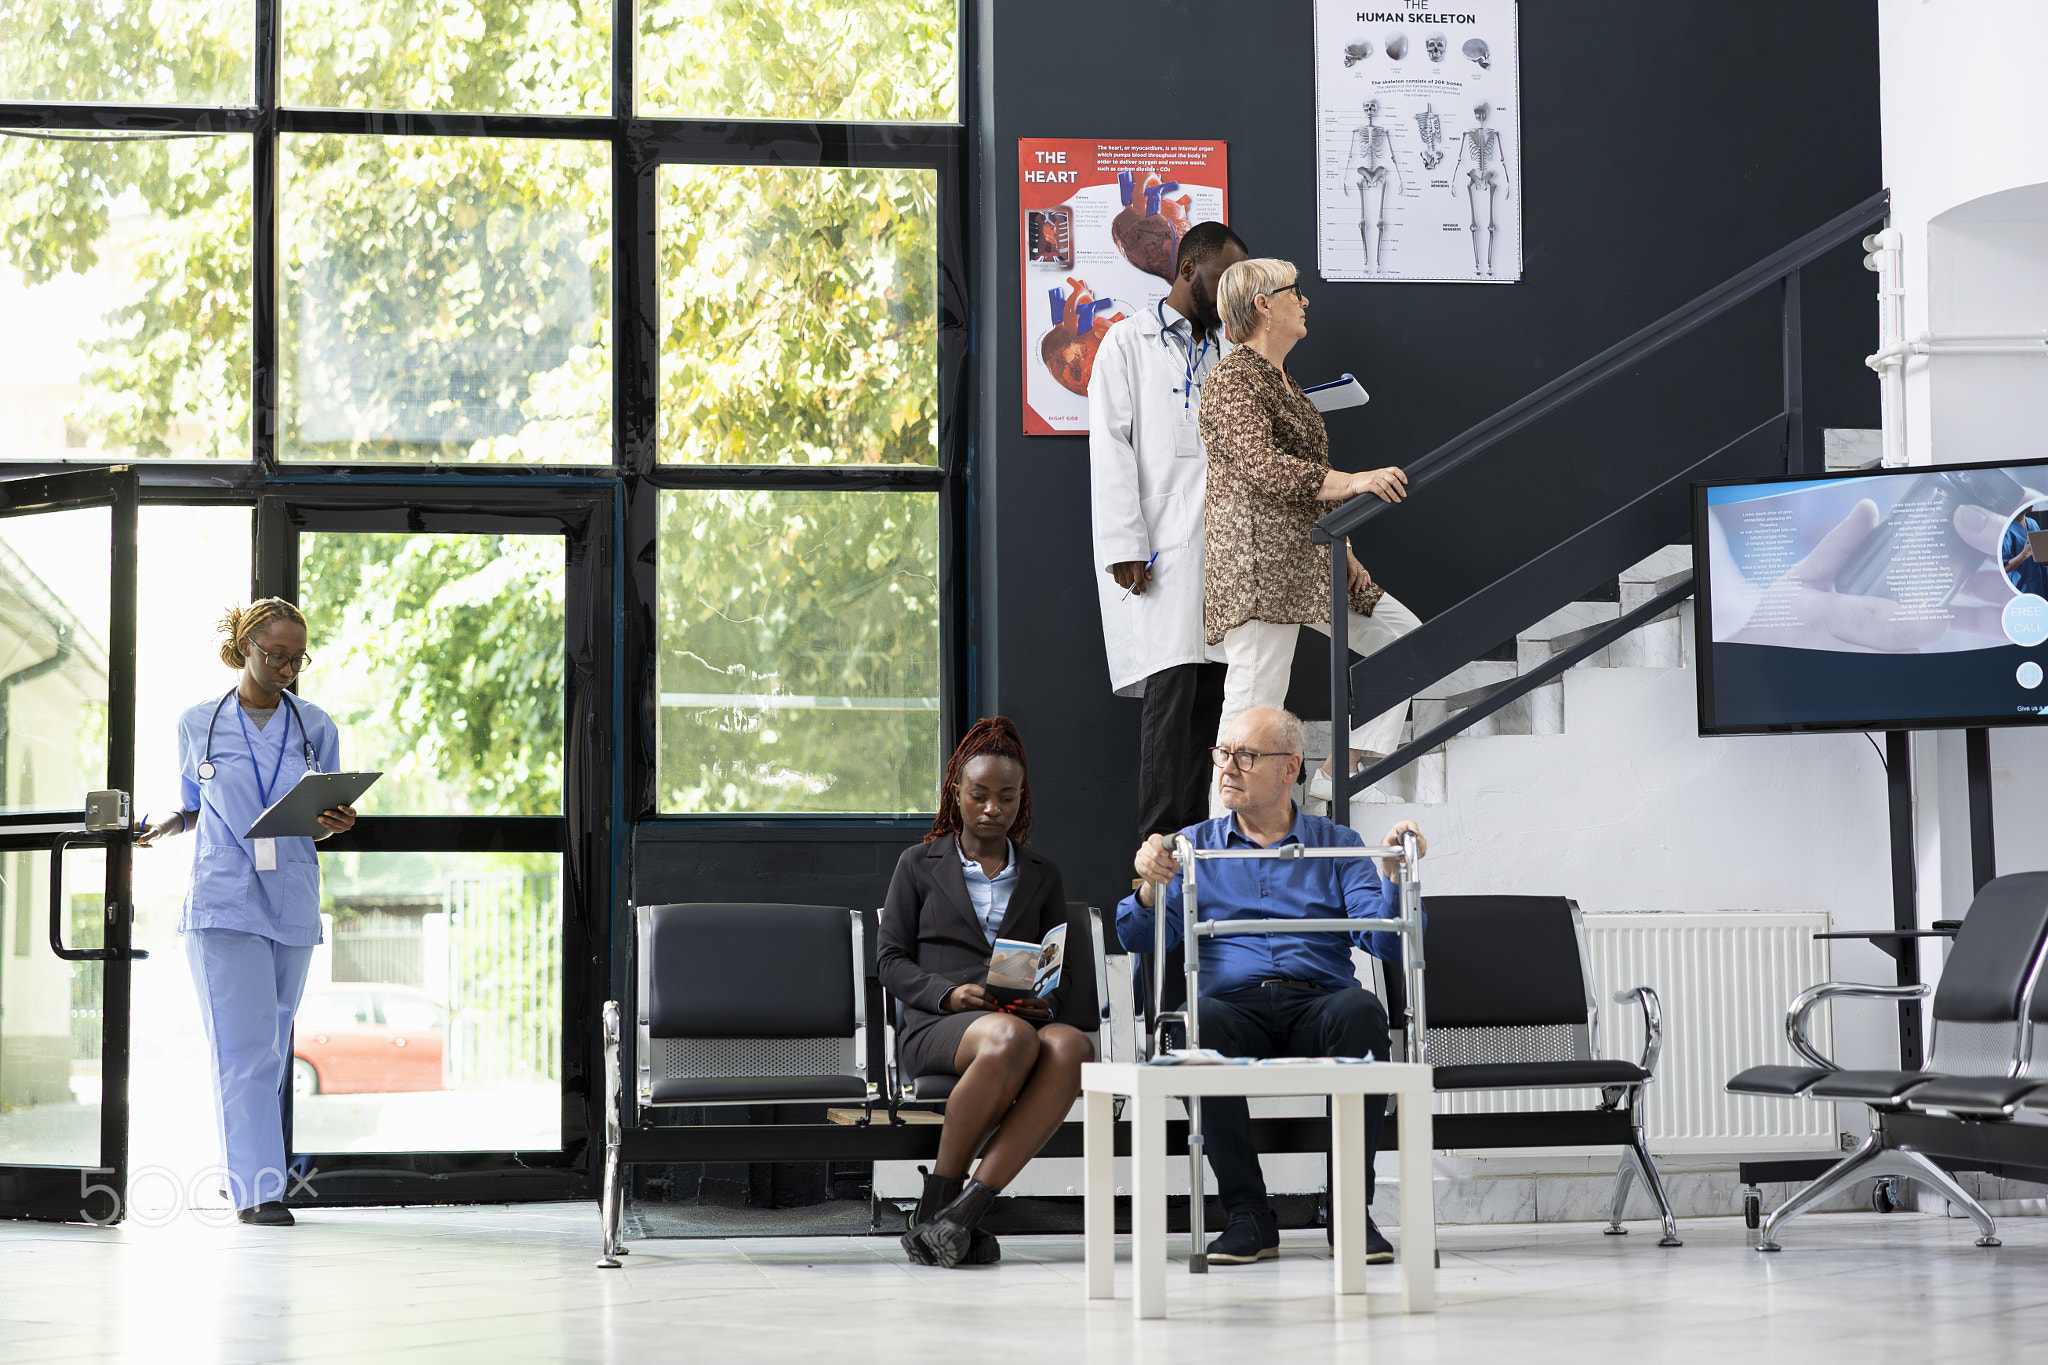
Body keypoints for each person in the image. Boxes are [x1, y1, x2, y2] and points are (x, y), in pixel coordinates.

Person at [1115, 705, 1425, 1266]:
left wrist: (1394, 878)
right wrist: (1148, 888)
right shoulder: (1191, 847)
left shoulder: (1337, 844)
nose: (1227, 768)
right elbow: (1137, 936)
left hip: (1319, 1005)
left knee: (1361, 1010)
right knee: (1197, 1024)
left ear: (1289, 769)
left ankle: (1349, 1213)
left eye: (1246, 756)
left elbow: (1388, 943)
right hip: (1232, 1010)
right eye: (1223, 754)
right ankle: (1249, 1217)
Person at [135, 599, 357, 1225]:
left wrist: (337, 822)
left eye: (297, 659)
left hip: (290, 892)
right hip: (226, 896)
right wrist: (162, 824)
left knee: (273, 1045)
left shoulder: (316, 725)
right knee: (241, 1048)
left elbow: (322, 816)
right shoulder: (198, 722)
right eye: (276, 655)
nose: (286, 669)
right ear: (243, 647)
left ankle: (245, 1175)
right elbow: (191, 804)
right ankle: (259, 1192)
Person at [1197, 256, 1421, 813]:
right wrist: (1356, 481)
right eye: (1294, 292)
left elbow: (1299, 481)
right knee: (1251, 712)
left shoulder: (1284, 382)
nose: (1304, 301)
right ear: (1263, 305)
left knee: (1406, 640)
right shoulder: (1232, 379)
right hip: (1259, 569)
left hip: (1310, 557)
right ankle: (1226, 852)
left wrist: (1345, 547)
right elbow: (1264, 467)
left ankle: (1341, 765)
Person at [878, 717, 1094, 1268]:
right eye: (979, 795)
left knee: (1073, 1047)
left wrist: (1047, 998)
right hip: (938, 1025)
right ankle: (940, 1198)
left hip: (1017, 1017)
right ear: (957, 792)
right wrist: (948, 995)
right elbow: (889, 961)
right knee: (1008, 1038)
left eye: (1007, 796)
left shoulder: (1043, 874)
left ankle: (960, 1215)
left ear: (1022, 798)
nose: (993, 808)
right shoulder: (918, 865)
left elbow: (1059, 966)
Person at [1088, 221, 1251, 841]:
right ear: (1188, 270)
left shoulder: (1232, 353)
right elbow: (1111, 447)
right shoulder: (1126, 344)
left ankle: (1198, 847)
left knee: (1214, 699)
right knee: (1170, 697)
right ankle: (1155, 860)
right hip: (1160, 546)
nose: (1231, 294)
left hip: (1223, 547)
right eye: (1223, 278)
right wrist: (1124, 544)